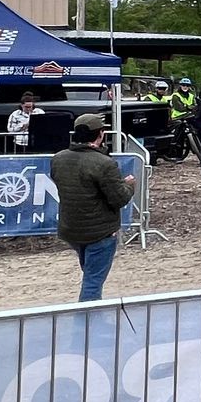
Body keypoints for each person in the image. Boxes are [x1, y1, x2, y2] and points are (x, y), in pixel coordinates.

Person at [51, 115, 135, 302]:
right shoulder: (103, 163)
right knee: (93, 281)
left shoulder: (59, 158)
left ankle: (89, 320)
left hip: (71, 228)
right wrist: (129, 184)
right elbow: (119, 199)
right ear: (101, 135)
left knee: (90, 272)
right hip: (100, 232)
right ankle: (86, 324)